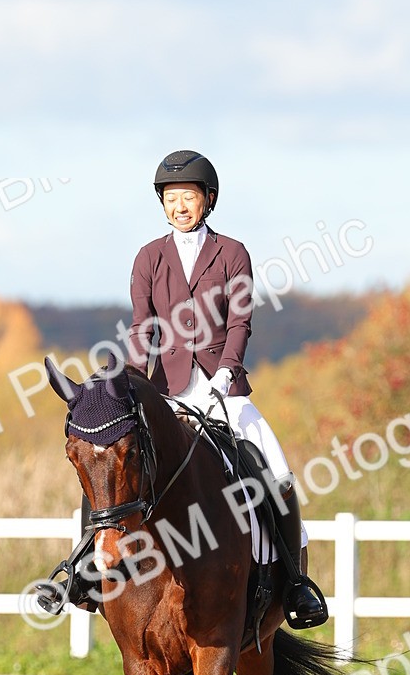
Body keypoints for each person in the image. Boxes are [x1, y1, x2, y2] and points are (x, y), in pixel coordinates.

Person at [123, 148, 327, 629]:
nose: (179, 207)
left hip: (222, 387)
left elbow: (240, 322)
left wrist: (227, 370)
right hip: (166, 390)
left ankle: (295, 582)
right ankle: (86, 572)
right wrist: (134, 381)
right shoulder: (149, 257)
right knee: (115, 456)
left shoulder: (232, 252)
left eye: (188, 197)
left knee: (273, 466)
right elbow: (141, 326)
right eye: (171, 199)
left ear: (208, 200)